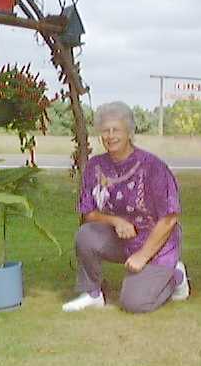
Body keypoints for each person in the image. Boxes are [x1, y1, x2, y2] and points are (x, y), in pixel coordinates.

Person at [62, 101, 190, 313]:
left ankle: (176, 276)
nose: (110, 136)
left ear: (129, 132)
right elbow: (88, 213)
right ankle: (92, 293)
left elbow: (169, 218)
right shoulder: (95, 166)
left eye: (116, 130)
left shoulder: (153, 167)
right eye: (105, 130)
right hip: (122, 239)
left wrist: (143, 256)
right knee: (86, 234)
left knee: (134, 303)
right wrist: (116, 221)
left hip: (157, 244)